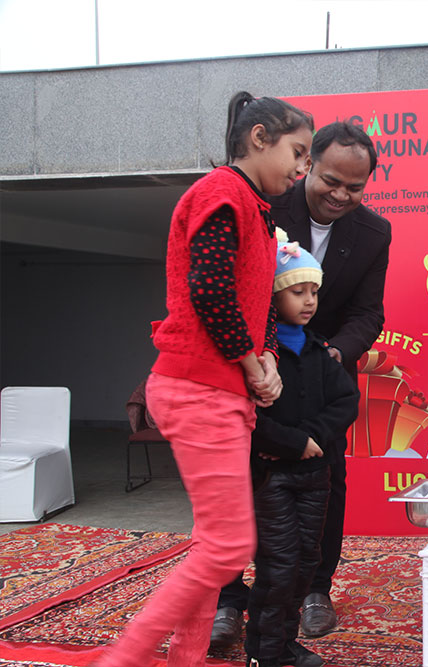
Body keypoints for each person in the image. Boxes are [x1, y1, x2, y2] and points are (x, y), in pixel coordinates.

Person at [97, 92, 313, 667]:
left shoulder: (258, 213)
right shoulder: (221, 192)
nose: (302, 168)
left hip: (223, 392)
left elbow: (258, 303)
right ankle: (123, 659)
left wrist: (267, 359)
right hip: (198, 389)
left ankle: (183, 659)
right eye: (297, 152)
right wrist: (251, 362)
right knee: (228, 547)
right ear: (259, 137)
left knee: (213, 546)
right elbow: (210, 289)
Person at [212, 121, 391, 645]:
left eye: (354, 187)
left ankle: (315, 590)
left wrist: (332, 356)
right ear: (308, 165)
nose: (340, 195)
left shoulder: (374, 232)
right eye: (330, 181)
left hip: (321, 377)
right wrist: (257, 359)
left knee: (325, 485)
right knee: (235, 484)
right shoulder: (266, 205)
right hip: (255, 370)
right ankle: (228, 599)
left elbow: (368, 313)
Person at [242, 235, 360, 667]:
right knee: (278, 565)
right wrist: (291, 443)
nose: (309, 301)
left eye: (313, 291)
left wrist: (312, 437)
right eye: (297, 292)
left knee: (306, 561)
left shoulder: (318, 350)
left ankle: (284, 643)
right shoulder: (257, 358)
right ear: (272, 297)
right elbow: (245, 416)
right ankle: (264, 653)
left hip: (315, 477)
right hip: (271, 478)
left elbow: (346, 401)